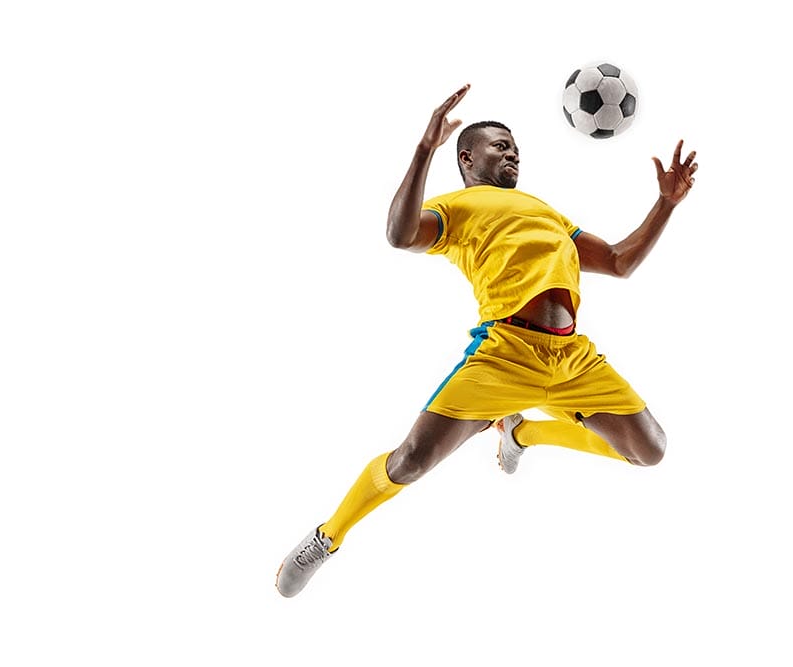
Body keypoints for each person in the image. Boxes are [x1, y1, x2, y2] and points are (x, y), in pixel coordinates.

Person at [276, 83, 698, 597]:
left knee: (649, 451)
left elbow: (618, 262)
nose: (512, 152)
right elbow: (399, 233)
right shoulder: (457, 207)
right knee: (410, 460)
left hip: (573, 360)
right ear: (467, 158)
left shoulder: (548, 212)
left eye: (516, 146)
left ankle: (522, 434)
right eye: (500, 145)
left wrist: (665, 202)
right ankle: (328, 536)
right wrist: (422, 150)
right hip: (504, 356)